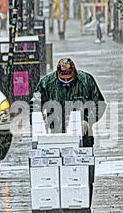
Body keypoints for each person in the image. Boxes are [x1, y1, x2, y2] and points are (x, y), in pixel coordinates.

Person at [31, 58, 106, 204]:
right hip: (57, 136)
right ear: (57, 74)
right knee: (57, 174)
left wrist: (88, 121)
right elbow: (35, 103)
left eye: (69, 78)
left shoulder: (86, 80)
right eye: (63, 78)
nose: (66, 81)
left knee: (84, 175)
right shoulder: (47, 83)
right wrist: (39, 119)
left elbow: (100, 104)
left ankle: (83, 206)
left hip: (83, 136)